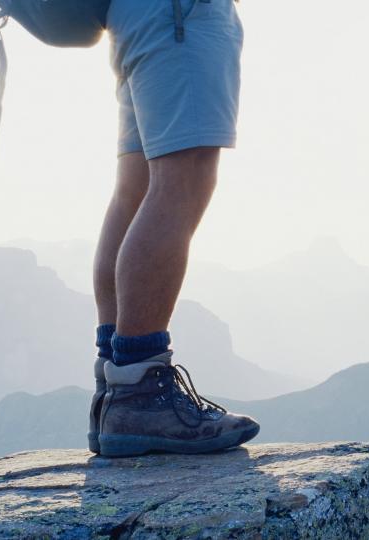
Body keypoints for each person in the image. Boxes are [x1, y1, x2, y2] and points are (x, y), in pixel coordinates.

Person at [87, 0, 259, 457]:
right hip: (180, 16)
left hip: (136, 17)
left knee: (137, 187)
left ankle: (116, 383)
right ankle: (140, 393)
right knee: (182, 180)